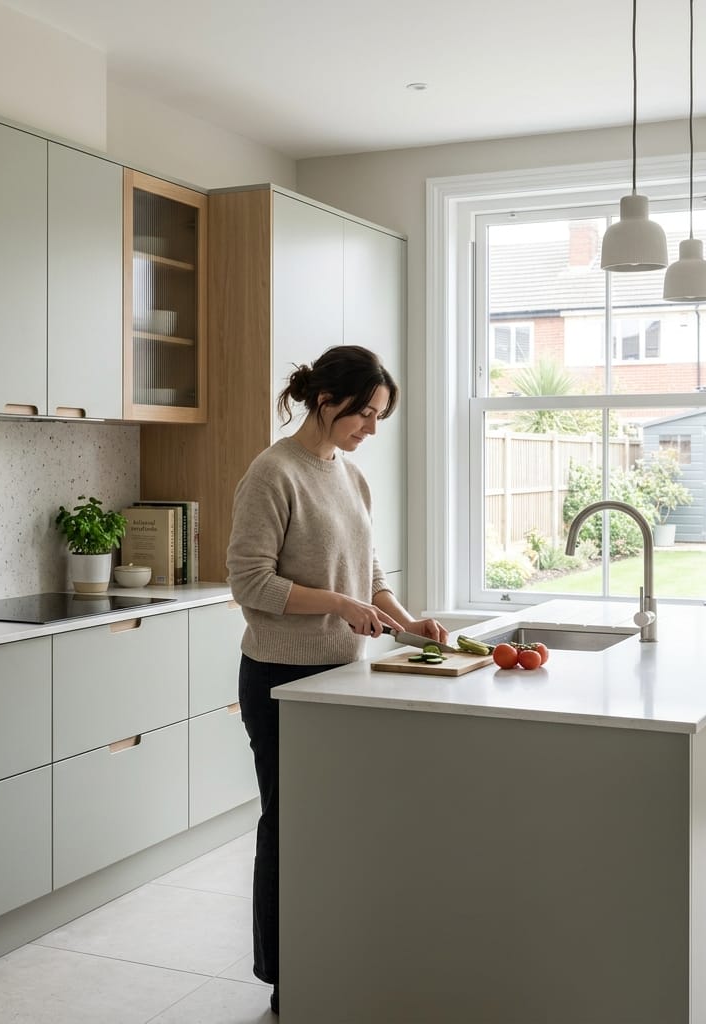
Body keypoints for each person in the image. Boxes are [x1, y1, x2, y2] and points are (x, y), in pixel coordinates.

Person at [226, 344, 447, 1016]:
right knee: (290, 828)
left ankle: (332, 954)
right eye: (366, 414)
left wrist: (409, 622)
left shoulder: (350, 477)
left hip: (341, 676)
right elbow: (250, 582)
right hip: (280, 681)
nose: (371, 429)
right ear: (327, 400)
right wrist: (340, 605)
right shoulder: (273, 474)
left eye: (379, 417)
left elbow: (368, 575)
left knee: (336, 827)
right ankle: (286, 973)